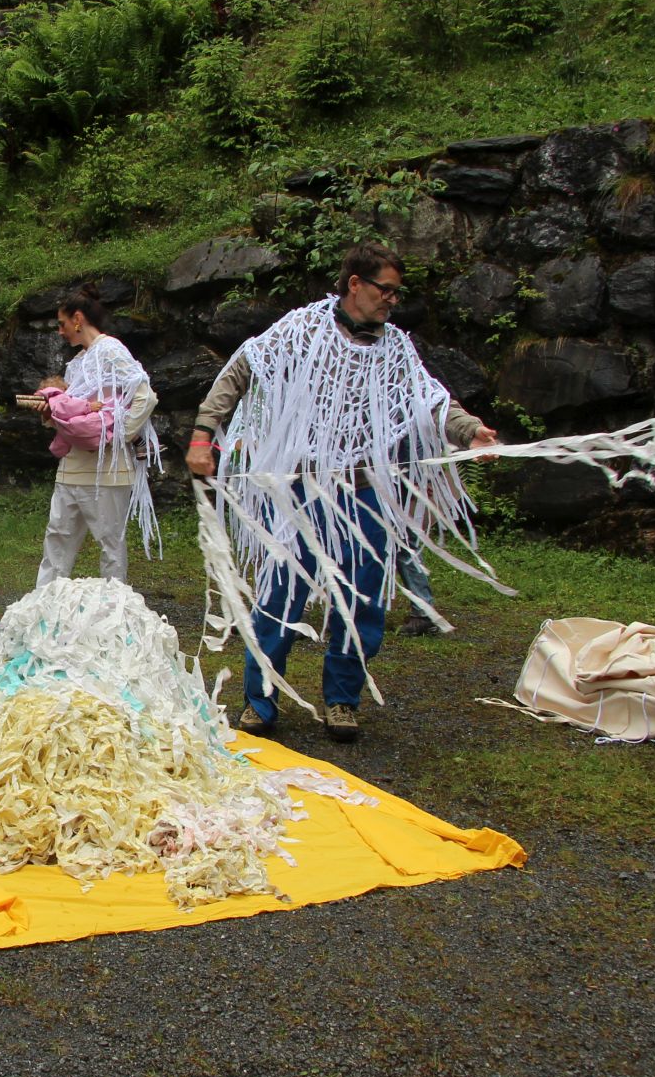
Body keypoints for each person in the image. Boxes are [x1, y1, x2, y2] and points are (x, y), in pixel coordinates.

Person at [186, 243, 497, 742]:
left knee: (363, 602)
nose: (392, 300)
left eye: (397, 292)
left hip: (364, 493)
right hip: (300, 492)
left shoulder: (395, 347)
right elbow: (241, 371)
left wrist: (468, 431)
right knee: (279, 596)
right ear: (355, 283)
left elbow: (429, 399)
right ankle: (260, 700)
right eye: (385, 289)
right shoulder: (299, 329)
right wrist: (204, 435)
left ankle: (342, 700)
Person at [30, 287, 162, 587]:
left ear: (78, 319)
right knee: (57, 539)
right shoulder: (77, 363)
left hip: (107, 471)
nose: (60, 332)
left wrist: (117, 437)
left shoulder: (111, 350)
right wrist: (51, 414)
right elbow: (75, 416)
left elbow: (145, 397)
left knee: (110, 544)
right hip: (72, 467)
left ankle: (114, 614)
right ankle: (43, 612)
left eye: (62, 324)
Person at [33, 374, 109, 458]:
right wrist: (88, 407)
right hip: (93, 429)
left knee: (64, 434)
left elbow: (62, 434)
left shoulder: (53, 404)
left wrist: (57, 450)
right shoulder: (60, 397)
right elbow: (71, 406)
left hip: (78, 445)